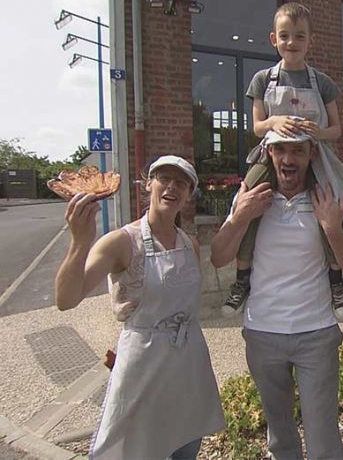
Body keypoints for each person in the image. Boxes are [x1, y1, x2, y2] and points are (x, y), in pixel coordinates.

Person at [55, 155, 225, 459]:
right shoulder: (121, 243)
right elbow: (66, 300)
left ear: (189, 193)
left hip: (188, 364)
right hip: (143, 364)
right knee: (139, 449)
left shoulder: (190, 244)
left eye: (182, 182)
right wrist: (80, 242)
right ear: (149, 184)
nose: (172, 187)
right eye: (164, 178)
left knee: (185, 444)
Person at [210, 130, 343, 459]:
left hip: (317, 333)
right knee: (280, 436)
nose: (288, 159)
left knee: (323, 437)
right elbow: (219, 256)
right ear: (268, 153)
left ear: (311, 155)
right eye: (280, 149)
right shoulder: (251, 196)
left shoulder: (329, 196)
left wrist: (332, 229)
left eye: (297, 151)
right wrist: (241, 217)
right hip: (263, 334)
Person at [222, 1, 343, 322]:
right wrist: (274, 123)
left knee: (329, 203)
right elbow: (256, 126)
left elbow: (336, 129)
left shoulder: (322, 82)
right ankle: (242, 278)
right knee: (248, 199)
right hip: (274, 151)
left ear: (311, 41)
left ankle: (336, 279)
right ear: (273, 39)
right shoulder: (262, 80)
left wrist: (318, 131)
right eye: (285, 36)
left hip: (313, 152)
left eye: (299, 36)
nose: (291, 43)